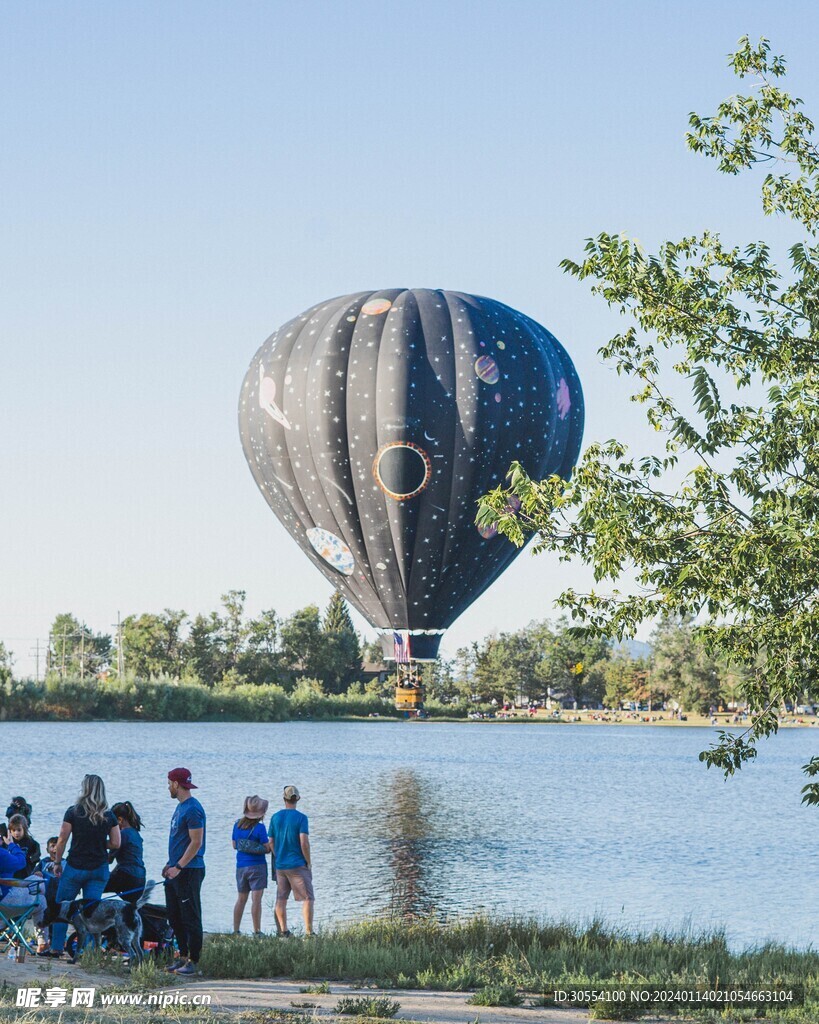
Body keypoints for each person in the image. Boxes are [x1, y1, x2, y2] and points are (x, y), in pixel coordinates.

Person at [49, 774, 120, 959]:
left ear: (85, 789)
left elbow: (62, 839)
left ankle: (56, 948)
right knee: (90, 912)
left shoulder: (73, 812)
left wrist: (57, 862)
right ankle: (87, 952)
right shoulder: (109, 815)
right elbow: (116, 843)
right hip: (98, 870)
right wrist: (98, 844)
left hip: (75, 867)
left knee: (61, 907)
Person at [163, 768, 205, 976]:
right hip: (175, 869)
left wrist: (179, 867)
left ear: (177, 784)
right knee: (174, 916)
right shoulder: (180, 808)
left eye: (169, 783)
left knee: (191, 916)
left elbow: (196, 842)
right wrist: (170, 865)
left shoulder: (193, 809)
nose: (168, 787)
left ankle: (193, 960)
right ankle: (181, 955)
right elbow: (180, 841)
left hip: (189, 870)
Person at [268, 785, 313, 937]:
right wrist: (308, 862)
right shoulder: (301, 818)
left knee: (281, 898)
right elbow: (304, 843)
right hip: (297, 864)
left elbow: (271, 841)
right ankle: (309, 933)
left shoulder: (275, 817)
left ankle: (284, 932)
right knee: (308, 898)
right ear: (297, 799)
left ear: (284, 799)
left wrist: (278, 855)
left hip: (280, 865)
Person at [232, 795, 270, 936]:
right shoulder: (260, 828)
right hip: (257, 866)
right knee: (256, 900)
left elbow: (234, 845)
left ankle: (236, 930)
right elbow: (267, 848)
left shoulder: (237, 825)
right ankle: (257, 931)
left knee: (241, 899)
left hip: (241, 867)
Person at [105, 802, 146, 904]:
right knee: (133, 907)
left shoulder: (122, 835)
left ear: (119, 820)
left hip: (127, 877)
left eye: (112, 823)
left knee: (95, 885)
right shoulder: (135, 833)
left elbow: (109, 860)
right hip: (140, 878)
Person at [8, 814, 41, 879]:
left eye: (19, 830)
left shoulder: (30, 841)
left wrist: (32, 860)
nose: (16, 833)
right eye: (14, 830)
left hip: (26, 870)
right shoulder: (9, 841)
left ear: (24, 829)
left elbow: (37, 852)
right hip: (12, 871)